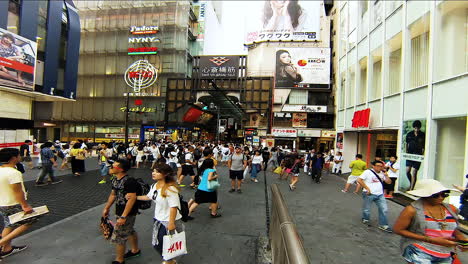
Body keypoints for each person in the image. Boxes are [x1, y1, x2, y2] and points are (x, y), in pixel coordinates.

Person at [394, 179, 468, 264]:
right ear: (425, 195)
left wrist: (461, 239)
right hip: (419, 250)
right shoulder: (412, 210)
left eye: (444, 194)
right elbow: (398, 229)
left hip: (445, 252)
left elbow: (451, 229)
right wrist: (431, 240)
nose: (441, 198)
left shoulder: (451, 209)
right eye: (436, 195)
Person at [131, 164, 183, 264]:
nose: (153, 173)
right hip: (158, 219)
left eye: (157, 171)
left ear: (165, 174)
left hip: (169, 221)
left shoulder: (170, 189)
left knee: (165, 243)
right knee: (158, 243)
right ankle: (169, 259)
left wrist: (171, 223)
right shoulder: (154, 185)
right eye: (153, 171)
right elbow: (149, 197)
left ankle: (169, 260)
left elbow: (174, 207)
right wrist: (135, 197)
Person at [102, 159, 141, 264]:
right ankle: (135, 250)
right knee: (129, 230)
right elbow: (113, 194)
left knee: (119, 235)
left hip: (128, 212)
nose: (110, 168)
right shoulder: (115, 179)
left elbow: (132, 199)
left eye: (112, 166)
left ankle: (119, 260)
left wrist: (123, 216)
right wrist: (107, 207)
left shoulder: (129, 181)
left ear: (120, 169)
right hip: (119, 209)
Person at [0, 148, 34, 259]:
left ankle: (6, 249)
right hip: (12, 203)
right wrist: (25, 205)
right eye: (18, 155)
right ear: (13, 158)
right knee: (30, 221)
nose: (20, 157)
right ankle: (2, 243)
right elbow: (18, 191)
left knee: (9, 224)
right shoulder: (14, 173)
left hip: (2, 203)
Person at [357, 160, 392, 233]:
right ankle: (365, 218)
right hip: (369, 194)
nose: (379, 167)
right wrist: (367, 188)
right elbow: (359, 180)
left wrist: (386, 175)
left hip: (380, 194)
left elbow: (389, 182)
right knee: (367, 209)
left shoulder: (383, 173)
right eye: (378, 166)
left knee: (384, 209)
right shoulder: (367, 172)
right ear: (373, 166)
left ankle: (383, 225)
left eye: (381, 166)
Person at [406, 120, 426, 191]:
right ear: (414, 128)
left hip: (418, 155)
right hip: (410, 154)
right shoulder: (409, 134)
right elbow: (407, 144)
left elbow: (424, 146)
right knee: (407, 171)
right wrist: (406, 153)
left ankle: (412, 188)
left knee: (414, 172)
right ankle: (411, 183)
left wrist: (422, 155)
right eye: (415, 128)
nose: (416, 129)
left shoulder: (423, 135)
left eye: (418, 128)